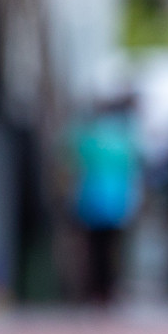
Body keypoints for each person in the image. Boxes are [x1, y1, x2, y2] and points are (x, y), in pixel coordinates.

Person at [66, 96, 141, 306]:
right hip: (116, 205)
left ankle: (93, 291)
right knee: (112, 251)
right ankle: (108, 291)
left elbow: (70, 158)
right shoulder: (125, 138)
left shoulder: (88, 136)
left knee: (93, 250)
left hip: (90, 203)